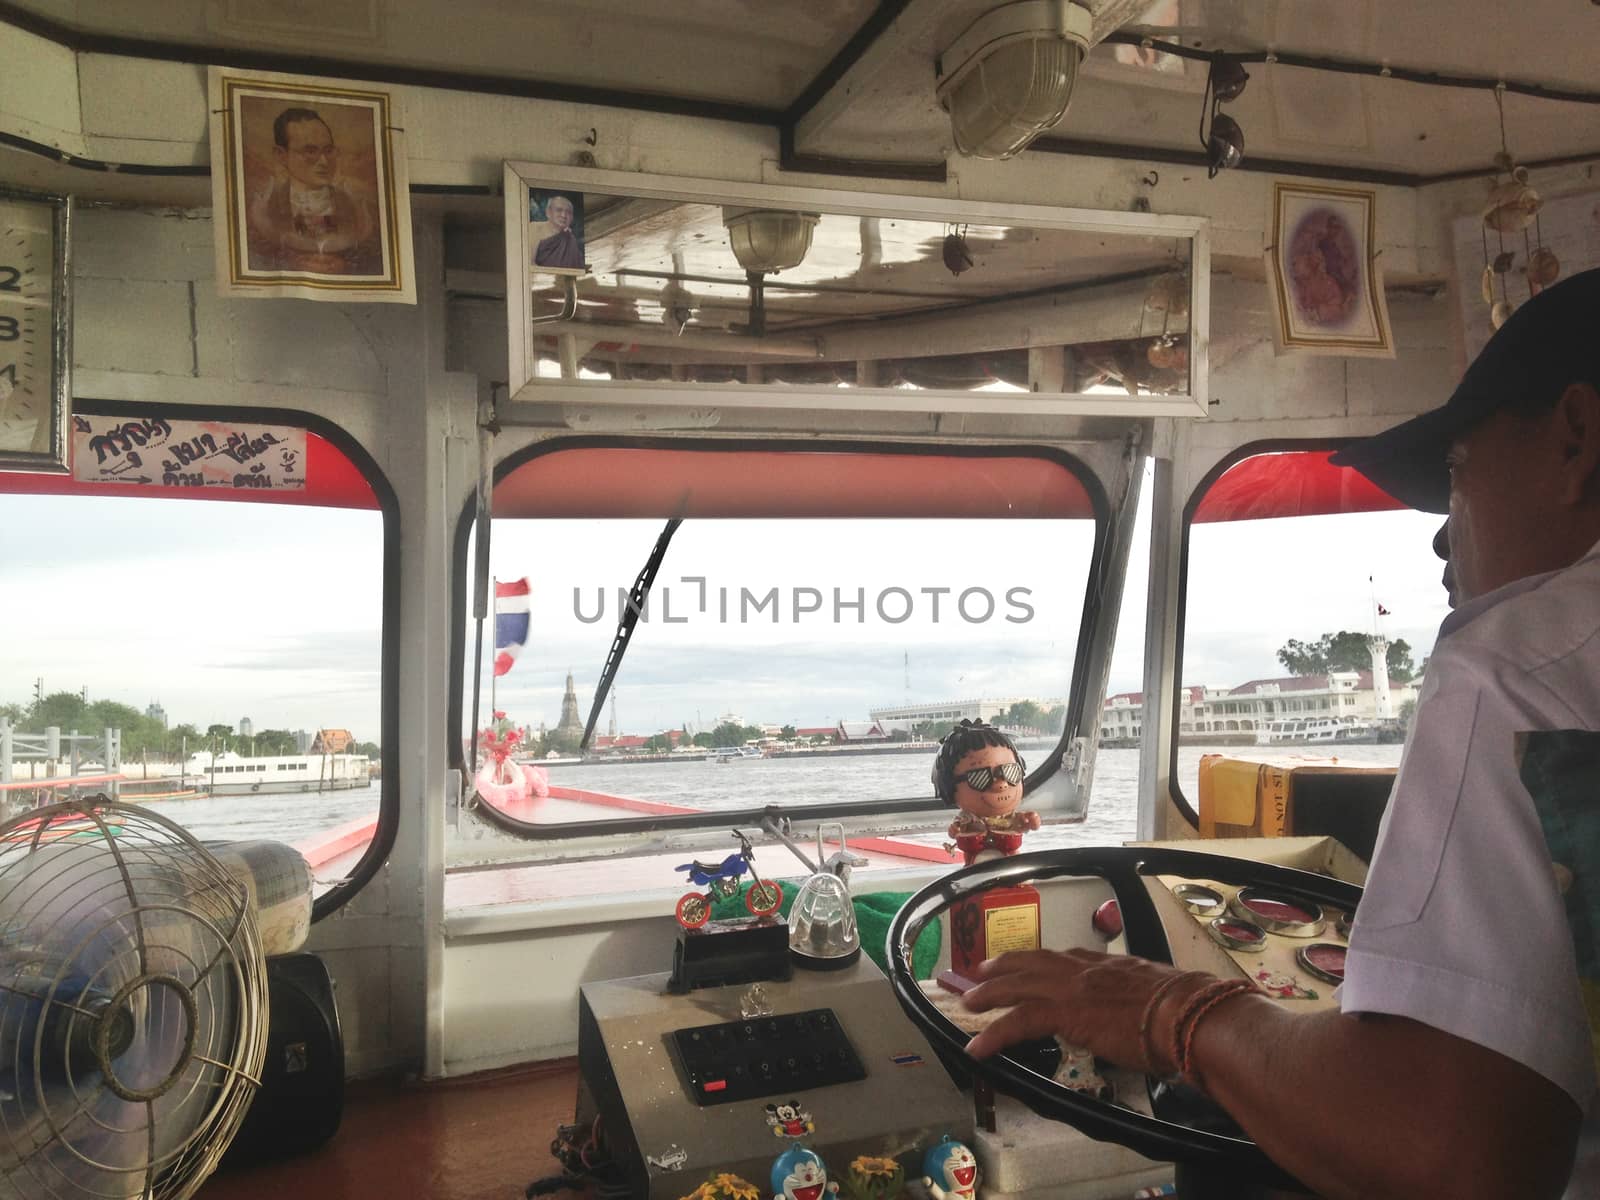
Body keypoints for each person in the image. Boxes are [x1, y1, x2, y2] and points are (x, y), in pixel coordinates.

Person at [961, 267, 1600, 1199]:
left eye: (1457, 473)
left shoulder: (1518, 667)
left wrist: (1171, 1008)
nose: (1437, 538)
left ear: (1576, 439)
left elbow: (1448, 1153)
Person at [247, 107, 381, 275]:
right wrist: (290, 263)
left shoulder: (357, 206)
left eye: (328, 150)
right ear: (281, 155)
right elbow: (254, 257)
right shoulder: (265, 207)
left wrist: (345, 264)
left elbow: (374, 255)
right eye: (310, 151)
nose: (324, 161)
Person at [931, 720, 1039, 865]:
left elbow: (1027, 824)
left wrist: (1031, 821)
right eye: (980, 777)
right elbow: (955, 831)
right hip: (974, 868)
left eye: (1011, 772)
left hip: (1011, 866)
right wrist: (955, 830)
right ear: (950, 786)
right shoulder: (966, 819)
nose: (1001, 784)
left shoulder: (1012, 818)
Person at [533, 195, 584, 269]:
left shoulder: (570, 238)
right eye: (559, 210)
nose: (564, 215)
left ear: (572, 217)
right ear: (548, 212)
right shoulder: (535, 228)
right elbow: (529, 265)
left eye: (568, 212)